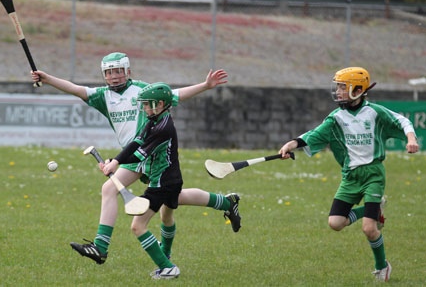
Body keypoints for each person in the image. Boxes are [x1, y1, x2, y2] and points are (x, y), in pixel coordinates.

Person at [31, 52, 241, 264]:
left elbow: (174, 95)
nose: (114, 76)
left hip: (150, 153)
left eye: (118, 71)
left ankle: (102, 247)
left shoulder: (142, 90)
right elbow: (76, 89)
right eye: (109, 72)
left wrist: (204, 86)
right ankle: (225, 202)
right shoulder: (103, 96)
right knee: (172, 200)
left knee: (132, 196)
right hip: (132, 155)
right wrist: (48, 79)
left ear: (127, 71)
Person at [278, 67, 419, 283]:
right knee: (335, 223)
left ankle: (382, 267)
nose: (339, 92)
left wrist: (411, 139)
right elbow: (314, 134)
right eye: (338, 87)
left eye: (344, 87)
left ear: (358, 89)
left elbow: (403, 121)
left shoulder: (374, 112)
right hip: (350, 177)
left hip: (373, 174)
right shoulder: (337, 117)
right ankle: (373, 210)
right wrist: (291, 144)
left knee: (369, 229)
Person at [101, 82, 212, 279]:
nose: (143, 108)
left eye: (146, 104)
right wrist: (114, 160)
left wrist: (116, 163)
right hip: (169, 180)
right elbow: (136, 142)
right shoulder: (155, 119)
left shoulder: (163, 127)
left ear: (159, 104)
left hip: (162, 183)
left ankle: (167, 267)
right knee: (167, 217)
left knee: (137, 226)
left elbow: (138, 155)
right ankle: (227, 202)